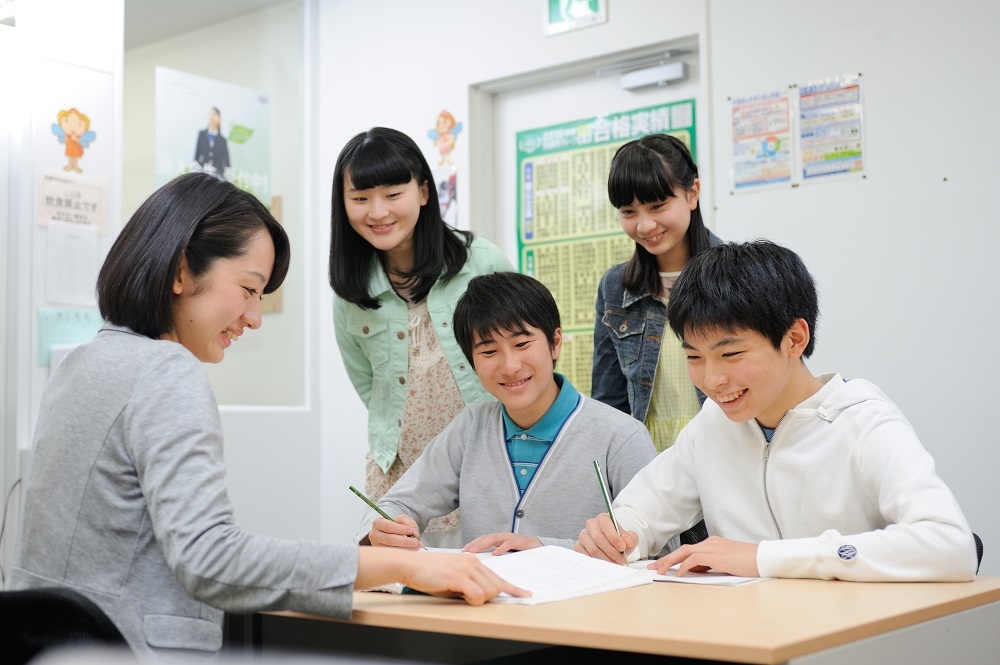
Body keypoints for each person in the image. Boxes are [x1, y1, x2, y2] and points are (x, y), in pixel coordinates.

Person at [10, 173, 527, 659]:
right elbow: (209, 559)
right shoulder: (166, 370)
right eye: (250, 289)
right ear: (181, 271)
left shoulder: (80, 363)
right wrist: (402, 564)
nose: (255, 318)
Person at [574, 239, 978, 582]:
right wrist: (617, 533)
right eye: (694, 356)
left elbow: (950, 544)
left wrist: (761, 558)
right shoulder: (712, 427)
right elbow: (642, 512)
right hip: (751, 636)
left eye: (730, 353)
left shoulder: (863, 421)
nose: (712, 380)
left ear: (794, 338)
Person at [355, 271, 657, 554]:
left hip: (586, 608)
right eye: (488, 352)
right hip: (486, 606)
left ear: (555, 343)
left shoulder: (621, 437)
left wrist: (546, 550)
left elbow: (656, 549)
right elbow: (395, 503)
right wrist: (385, 527)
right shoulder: (469, 429)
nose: (510, 366)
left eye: (522, 343)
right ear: (471, 362)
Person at [330, 127, 514, 548]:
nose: (377, 212)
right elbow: (367, 383)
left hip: (481, 461)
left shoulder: (480, 261)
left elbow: (525, 351)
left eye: (393, 194)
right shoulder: (350, 293)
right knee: (399, 593)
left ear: (424, 192)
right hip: (399, 470)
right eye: (360, 199)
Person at [591, 133, 720, 548]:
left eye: (658, 206)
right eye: (628, 211)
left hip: (724, 469)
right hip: (645, 478)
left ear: (693, 193)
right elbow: (609, 403)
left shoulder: (735, 277)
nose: (644, 225)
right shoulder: (615, 288)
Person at [194, 106, 230, 179]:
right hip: (203, 173)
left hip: (218, 176)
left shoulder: (223, 140)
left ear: (219, 119)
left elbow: (227, 163)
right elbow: (196, 157)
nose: (212, 117)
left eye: (215, 114)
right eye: (210, 114)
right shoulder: (201, 134)